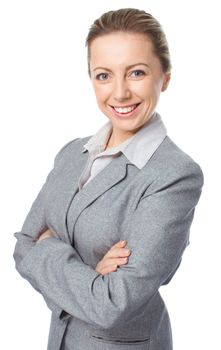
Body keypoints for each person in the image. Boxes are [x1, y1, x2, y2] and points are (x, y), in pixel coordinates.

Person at [13, 8, 204, 350]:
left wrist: (49, 249)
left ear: (165, 78)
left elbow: (112, 305)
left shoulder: (174, 175)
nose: (119, 93)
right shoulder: (72, 153)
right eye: (103, 75)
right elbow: (23, 246)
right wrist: (90, 276)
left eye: (136, 73)